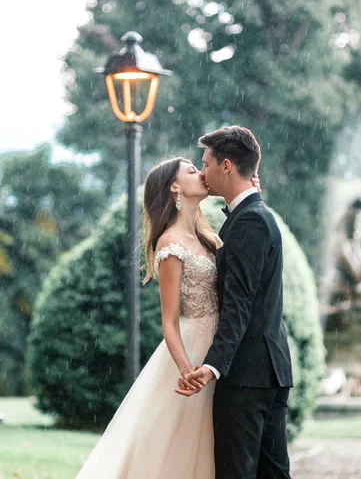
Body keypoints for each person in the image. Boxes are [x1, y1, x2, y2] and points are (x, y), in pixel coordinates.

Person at [75, 154, 260, 478]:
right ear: (175, 186)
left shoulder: (209, 236)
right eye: (192, 170)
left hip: (223, 345)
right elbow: (170, 321)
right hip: (195, 348)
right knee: (182, 446)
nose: (202, 173)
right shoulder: (170, 244)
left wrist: (253, 196)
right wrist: (188, 369)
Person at [177, 126, 293, 478]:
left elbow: (239, 303)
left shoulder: (249, 223)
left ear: (226, 166)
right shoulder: (256, 215)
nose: (203, 172)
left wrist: (213, 366)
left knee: (235, 472)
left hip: (246, 374)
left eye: (207, 163)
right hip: (269, 369)